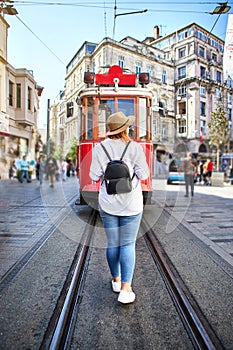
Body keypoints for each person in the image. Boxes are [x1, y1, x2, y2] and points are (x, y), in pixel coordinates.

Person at [89, 111, 149, 304]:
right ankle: (126, 289)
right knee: (128, 244)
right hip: (132, 204)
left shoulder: (100, 148)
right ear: (126, 128)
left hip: (108, 204)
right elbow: (145, 174)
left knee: (113, 243)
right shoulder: (134, 148)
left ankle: (115, 280)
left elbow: (94, 176)